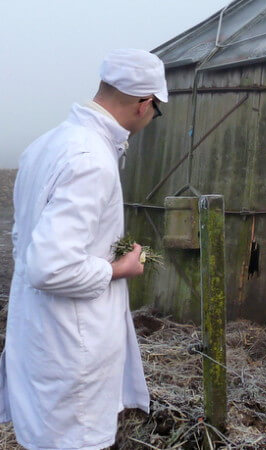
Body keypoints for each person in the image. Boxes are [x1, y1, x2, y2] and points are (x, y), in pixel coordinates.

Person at [0, 48, 168, 449]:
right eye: (156, 109)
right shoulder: (91, 159)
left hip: (41, 332)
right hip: (70, 345)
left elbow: (25, 242)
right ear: (145, 103)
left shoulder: (47, 144)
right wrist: (119, 268)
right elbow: (50, 267)